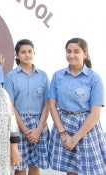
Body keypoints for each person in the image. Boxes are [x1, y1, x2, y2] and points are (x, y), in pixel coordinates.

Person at [48, 38, 106, 175]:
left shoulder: (94, 78)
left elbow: (95, 114)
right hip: (63, 126)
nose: (71, 55)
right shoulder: (58, 75)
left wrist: (74, 139)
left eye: (76, 52)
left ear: (85, 54)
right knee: (71, 169)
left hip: (86, 128)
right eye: (68, 51)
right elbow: (52, 105)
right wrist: (63, 133)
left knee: (90, 170)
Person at [4, 39, 50, 175]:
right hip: (18, 124)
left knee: (35, 165)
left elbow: (47, 103)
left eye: (30, 51)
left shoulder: (42, 76)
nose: (27, 55)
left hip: (39, 124)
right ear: (17, 56)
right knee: (20, 166)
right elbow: (10, 105)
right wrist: (24, 129)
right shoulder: (11, 76)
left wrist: (38, 129)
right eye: (23, 52)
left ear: (34, 53)